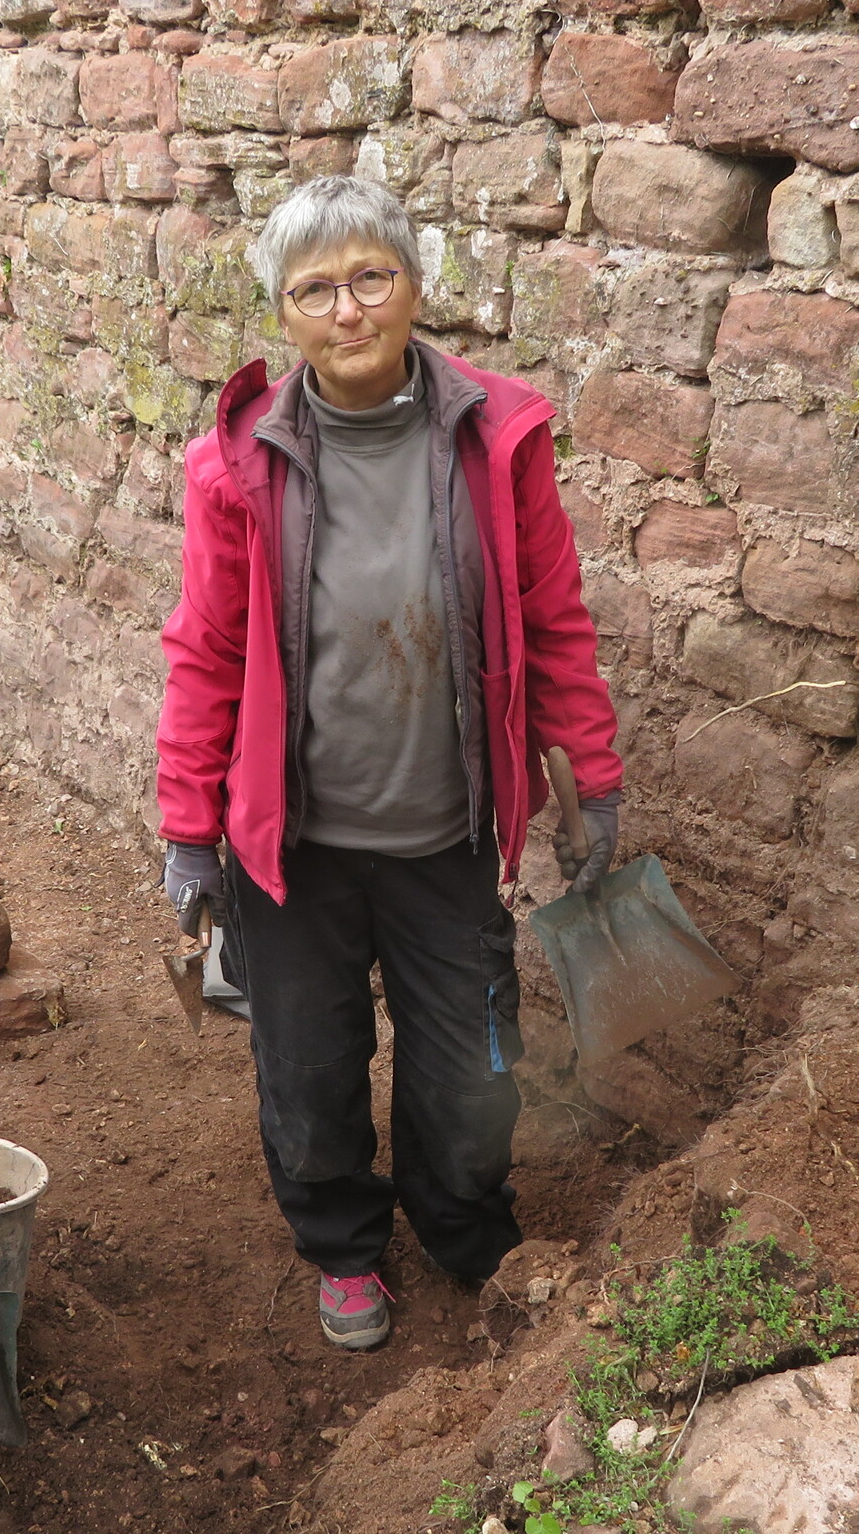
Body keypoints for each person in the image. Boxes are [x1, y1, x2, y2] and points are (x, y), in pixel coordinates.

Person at [156, 174, 624, 1353]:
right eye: (314, 289)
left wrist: (591, 777)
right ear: (283, 313)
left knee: (472, 1072)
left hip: (446, 837)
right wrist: (189, 829)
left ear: (417, 286)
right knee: (309, 1070)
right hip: (295, 850)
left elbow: (554, 619)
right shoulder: (238, 465)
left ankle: (466, 1232)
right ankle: (343, 1246)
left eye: (372, 277)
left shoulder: (496, 438)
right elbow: (207, 653)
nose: (348, 310)